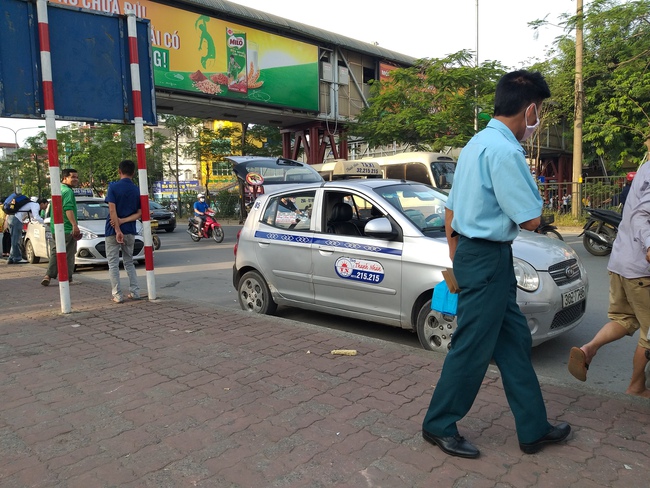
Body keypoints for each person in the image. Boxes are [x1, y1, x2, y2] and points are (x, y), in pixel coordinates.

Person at [421, 70, 570, 459]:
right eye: (541, 114)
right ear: (531, 109)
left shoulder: (476, 143)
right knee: (472, 346)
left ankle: (533, 428)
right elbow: (530, 219)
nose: (538, 123)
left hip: (478, 254)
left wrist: (458, 253)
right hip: (487, 257)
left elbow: (451, 207)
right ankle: (438, 424)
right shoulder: (505, 151)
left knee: (513, 343)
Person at [568, 162, 650, 397]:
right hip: (641, 267)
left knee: (624, 319)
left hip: (621, 262)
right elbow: (642, 215)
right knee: (649, 335)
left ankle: (588, 349)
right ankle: (636, 386)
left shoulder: (646, 167)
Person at [105, 159, 142, 303]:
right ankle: (135, 292)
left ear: (119, 171)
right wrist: (124, 221)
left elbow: (112, 209)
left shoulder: (113, 187)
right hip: (130, 230)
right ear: (133, 173)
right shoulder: (137, 190)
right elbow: (140, 213)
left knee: (113, 264)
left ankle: (117, 295)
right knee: (129, 262)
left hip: (112, 231)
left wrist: (117, 227)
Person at [41, 169, 81, 285]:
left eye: (76, 177)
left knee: (56, 252)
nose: (75, 180)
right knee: (69, 254)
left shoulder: (57, 190)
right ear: (65, 178)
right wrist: (74, 225)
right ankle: (67, 278)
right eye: (73, 177)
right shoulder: (68, 192)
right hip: (67, 228)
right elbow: (68, 209)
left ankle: (48, 276)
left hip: (56, 228)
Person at [6, 196, 48, 264]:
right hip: (16, 219)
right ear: (42, 203)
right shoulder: (36, 205)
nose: (46, 207)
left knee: (14, 239)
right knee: (16, 240)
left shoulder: (31, 205)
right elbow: (36, 217)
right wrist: (44, 222)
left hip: (12, 218)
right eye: (46, 204)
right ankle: (17, 258)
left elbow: (33, 218)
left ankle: (11, 258)